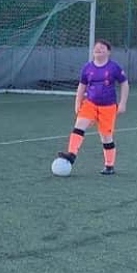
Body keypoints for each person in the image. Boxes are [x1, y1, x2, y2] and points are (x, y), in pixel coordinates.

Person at [57, 39, 129, 175]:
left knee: (106, 137)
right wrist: (77, 102)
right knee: (79, 126)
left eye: (102, 48)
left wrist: (123, 103)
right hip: (90, 103)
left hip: (108, 107)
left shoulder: (114, 67)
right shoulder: (87, 67)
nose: (98, 50)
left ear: (108, 52)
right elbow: (81, 86)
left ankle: (109, 165)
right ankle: (71, 155)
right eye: (96, 48)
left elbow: (124, 84)